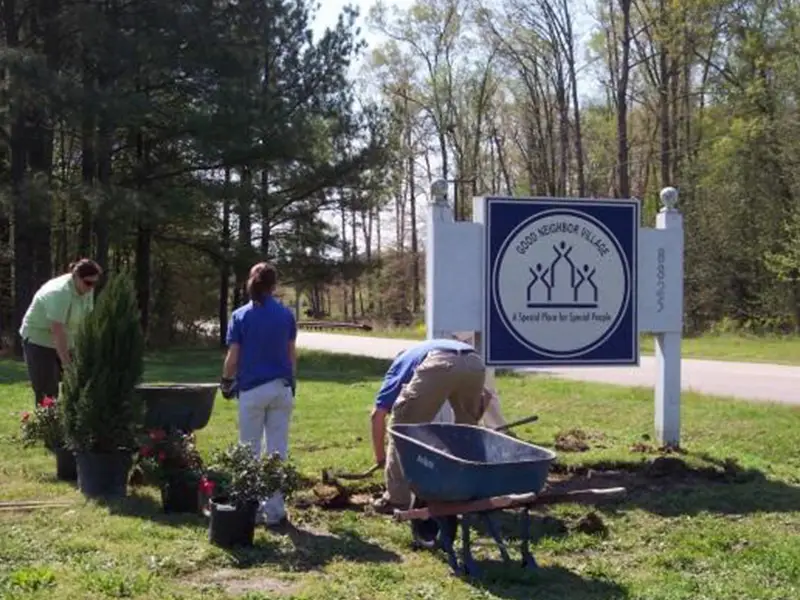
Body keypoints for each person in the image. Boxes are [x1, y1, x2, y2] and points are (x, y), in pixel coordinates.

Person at [370, 338, 491, 513]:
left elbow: (378, 415)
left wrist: (380, 459)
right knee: (468, 431)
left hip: (439, 363)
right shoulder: (423, 350)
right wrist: (473, 414)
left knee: (401, 429)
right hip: (474, 362)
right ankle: (471, 491)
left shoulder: (400, 365)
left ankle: (396, 500)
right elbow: (486, 395)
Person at [219, 261, 297, 527]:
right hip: (281, 388)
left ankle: (248, 507)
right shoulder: (286, 316)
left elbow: (233, 357)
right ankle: (274, 511)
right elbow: (291, 355)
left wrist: (226, 381)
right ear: (274, 286)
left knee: (249, 449)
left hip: (252, 389)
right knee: (277, 450)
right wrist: (291, 382)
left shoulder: (241, 316)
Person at [18, 259, 102, 405]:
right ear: (75, 276)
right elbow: (57, 330)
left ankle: (72, 424)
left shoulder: (87, 290)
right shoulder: (59, 292)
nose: (91, 287)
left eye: (95, 283)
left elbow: (86, 322)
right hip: (40, 340)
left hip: (67, 340)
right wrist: (67, 365)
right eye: (88, 283)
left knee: (80, 384)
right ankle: (47, 426)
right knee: (48, 391)